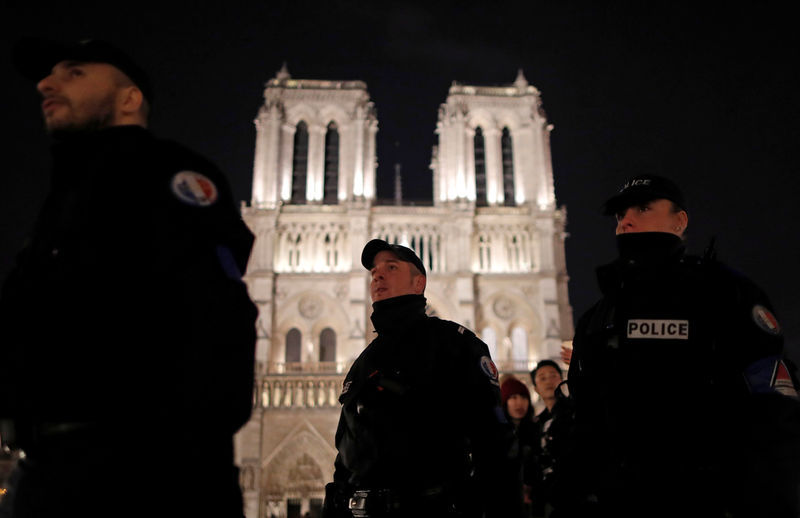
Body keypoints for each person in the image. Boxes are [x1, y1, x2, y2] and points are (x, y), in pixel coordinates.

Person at [0, 38, 257, 518]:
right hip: (48, 468)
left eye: (74, 72)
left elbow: (216, 316)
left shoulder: (169, 176)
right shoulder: (66, 194)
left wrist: (176, 452)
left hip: (141, 473)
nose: (45, 84)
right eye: (49, 74)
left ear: (128, 97)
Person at [567, 174, 800, 517]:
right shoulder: (600, 316)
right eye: (620, 215)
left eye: (644, 208)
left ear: (680, 221)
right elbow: (584, 420)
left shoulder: (727, 295)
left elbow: (773, 410)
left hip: (711, 498)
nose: (626, 220)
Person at [322, 239, 523, 518]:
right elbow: (346, 453)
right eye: (374, 272)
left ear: (419, 284)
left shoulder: (454, 345)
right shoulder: (364, 361)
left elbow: (495, 446)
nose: (378, 275)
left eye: (391, 267)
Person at [527, 360, 578, 518]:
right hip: (544, 501)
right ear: (535, 388)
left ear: (562, 379)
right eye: (542, 378)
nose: (548, 381)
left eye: (553, 376)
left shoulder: (575, 413)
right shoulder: (535, 424)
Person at [500, 376, 538, 518]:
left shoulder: (535, 430)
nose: (519, 403)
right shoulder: (497, 435)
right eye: (513, 397)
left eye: (523, 397)